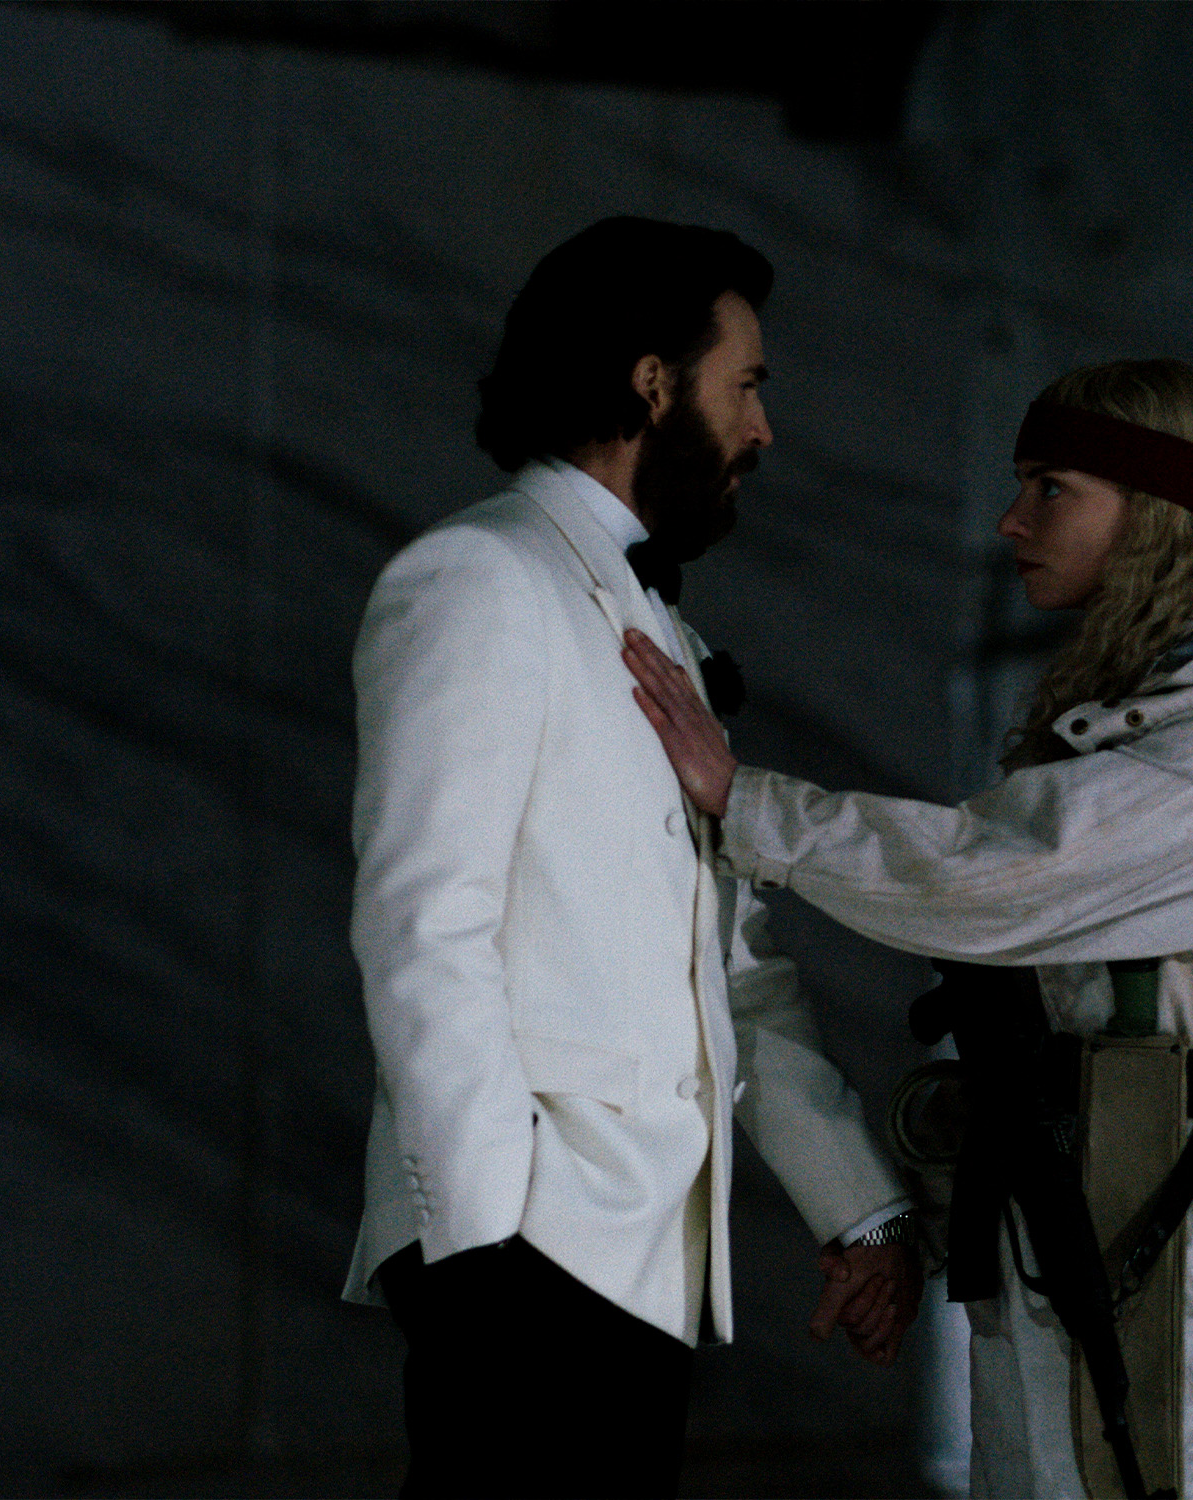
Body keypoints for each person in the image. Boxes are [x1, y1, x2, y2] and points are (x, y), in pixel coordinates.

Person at [623, 358, 1193, 1500]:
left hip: (1156, 1253)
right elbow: (1046, 1020)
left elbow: (993, 875)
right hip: (1068, 1226)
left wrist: (748, 803)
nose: (1011, 520)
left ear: (1153, 511)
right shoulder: (1144, 715)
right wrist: (901, 1230)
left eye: (1050, 487)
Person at [342, 217, 920, 1500]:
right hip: (526, 1249)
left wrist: (857, 1204)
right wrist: (479, 1243)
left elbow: (731, 960)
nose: (763, 429)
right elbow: (420, 925)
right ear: (652, 383)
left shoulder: (651, 617)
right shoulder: (476, 576)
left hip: (645, 1256)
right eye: (745, 385)